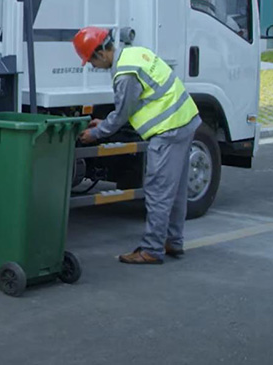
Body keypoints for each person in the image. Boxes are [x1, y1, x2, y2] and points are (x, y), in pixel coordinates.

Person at [73, 27, 202, 265]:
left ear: (101, 53)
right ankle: (173, 241)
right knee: (176, 190)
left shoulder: (124, 74)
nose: (92, 66)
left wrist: (96, 133)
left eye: (91, 60)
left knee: (158, 191)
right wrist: (105, 122)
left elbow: (123, 113)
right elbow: (141, 101)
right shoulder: (136, 54)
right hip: (185, 120)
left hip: (167, 129)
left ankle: (152, 249)